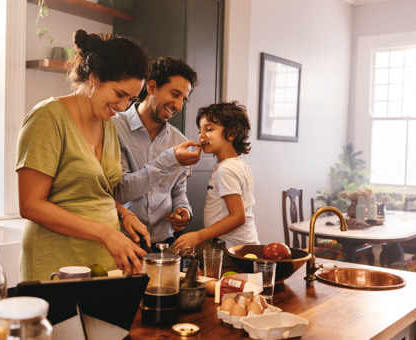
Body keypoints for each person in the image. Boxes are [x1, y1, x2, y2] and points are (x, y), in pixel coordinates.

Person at [16, 30, 151, 281]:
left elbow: (91, 191)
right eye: (119, 94)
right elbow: (30, 205)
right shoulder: (47, 118)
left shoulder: (108, 123)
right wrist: (106, 234)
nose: (123, 107)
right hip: (56, 264)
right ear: (94, 78)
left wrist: (124, 213)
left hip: (103, 264)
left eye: (131, 99)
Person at [113, 56, 200, 252]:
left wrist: (184, 210)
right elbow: (121, 191)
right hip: (122, 243)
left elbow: (178, 191)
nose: (178, 106)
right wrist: (169, 159)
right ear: (151, 87)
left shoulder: (179, 141)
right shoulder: (113, 128)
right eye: (175, 94)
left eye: (183, 99)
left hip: (163, 244)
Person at [174, 101, 259, 266]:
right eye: (200, 130)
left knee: (173, 257)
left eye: (209, 129)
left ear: (232, 133)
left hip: (228, 247)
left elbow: (238, 217)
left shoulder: (225, 170)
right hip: (238, 245)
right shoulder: (238, 164)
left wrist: (198, 236)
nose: (201, 135)